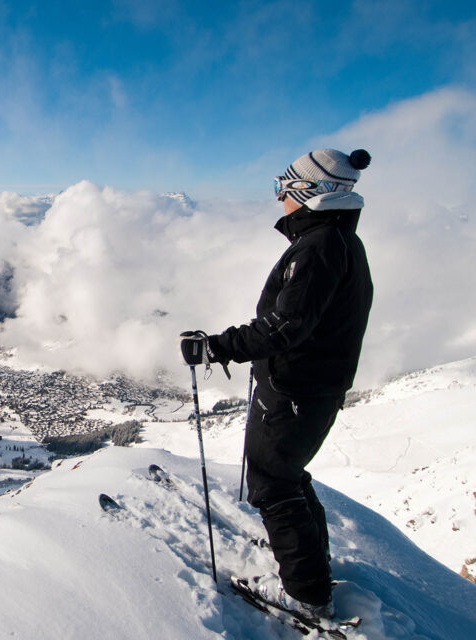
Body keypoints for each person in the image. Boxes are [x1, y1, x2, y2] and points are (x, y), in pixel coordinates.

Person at [180, 148, 373, 619]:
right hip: (307, 386)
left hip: (296, 390)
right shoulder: (339, 242)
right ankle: (309, 568)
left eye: (282, 188)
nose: (279, 198)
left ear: (308, 191)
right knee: (287, 477)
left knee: (272, 484)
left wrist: (215, 347)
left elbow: (286, 326)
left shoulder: (320, 247)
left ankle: (306, 593)